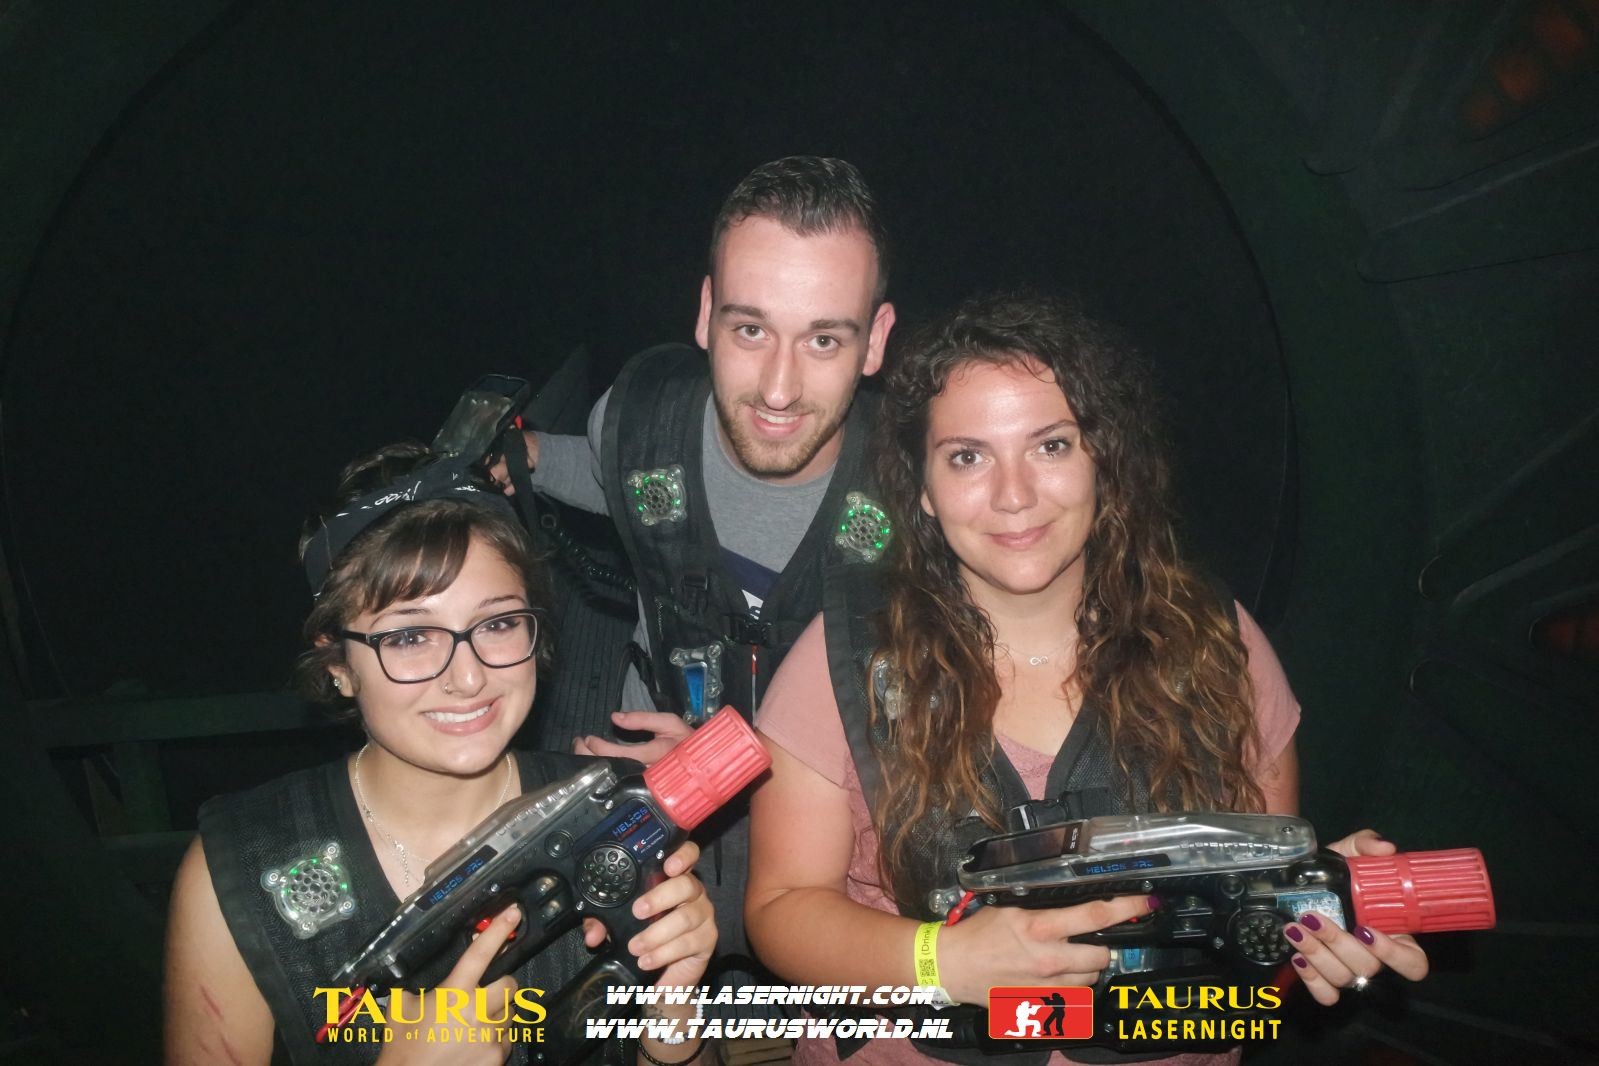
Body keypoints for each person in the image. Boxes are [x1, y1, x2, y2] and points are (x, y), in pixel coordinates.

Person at [746, 293, 1430, 1066]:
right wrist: (943, 961)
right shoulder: (845, 659)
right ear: (924, 490)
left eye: (1050, 446)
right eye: (967, 456)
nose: (1013, 495)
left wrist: (1314, 923)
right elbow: (780, 909)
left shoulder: (1215, 641)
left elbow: (1251, 965)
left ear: (1102, 457)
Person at [164, 443, 717, 1066]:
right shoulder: (242, 866)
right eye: (410, 636)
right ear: (338, 663)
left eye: (498, 624)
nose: (469, 677)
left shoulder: (614, 815)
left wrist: (673, 1021)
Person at [502, 156, 896, 969]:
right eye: (750, 330)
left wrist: (716, 765)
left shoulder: (917, 489)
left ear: (876, 342)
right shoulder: (641, 419)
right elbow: (611, 475)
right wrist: (529, 458)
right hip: (641, 796)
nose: (778, 390)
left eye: (824, 338)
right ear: (707, 312)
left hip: (816, 833)